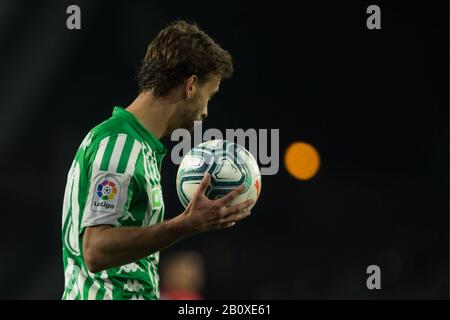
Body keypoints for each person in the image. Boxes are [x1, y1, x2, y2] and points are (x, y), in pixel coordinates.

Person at [61, 20, 253, 300]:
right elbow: (95, 249)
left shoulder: (138, 147)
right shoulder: (120, 145)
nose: (206, 111)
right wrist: (187, 224)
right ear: (190, 86)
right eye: (208, 96)